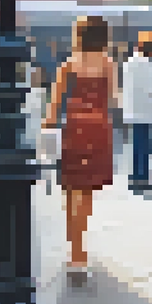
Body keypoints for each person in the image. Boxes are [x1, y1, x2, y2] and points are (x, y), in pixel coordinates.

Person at [42, 16, 116, 275]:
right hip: (98, 129)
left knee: (70, 189)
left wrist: (47, 129)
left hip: (74, 129)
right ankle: (80, 255)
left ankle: (74, 251)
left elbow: (53, 107)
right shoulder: (108, 64)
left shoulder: (68, 65)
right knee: (86, 192)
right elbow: (113, 99)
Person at [121, 32, 152, 193]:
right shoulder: (146, 64)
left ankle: (134, 177)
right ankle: (142, 178)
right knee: (144, 146)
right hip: (144, 109)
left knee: (135, 144)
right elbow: (150, 89)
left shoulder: (128, 62)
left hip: (131, 109)